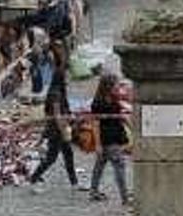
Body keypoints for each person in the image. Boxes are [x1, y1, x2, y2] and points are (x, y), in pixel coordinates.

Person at [88, 73, 130, 204]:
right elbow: (95, 124)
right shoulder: (98, 103)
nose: (118, 87)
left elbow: (120, 116)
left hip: (115, 135)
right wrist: (98, 144)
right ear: (108, 86)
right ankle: (125, 198)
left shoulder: (113, 98)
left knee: (99, 165)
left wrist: (133, 127)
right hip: (108, 139)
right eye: (116, 84)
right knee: (120, 166)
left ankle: (93, 191)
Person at [28, 85, 79, 189]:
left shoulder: (55, 95)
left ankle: (74, 182)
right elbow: (57, 116)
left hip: (56, 132)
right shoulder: (56, 96)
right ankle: (34, 177)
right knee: (52, 158)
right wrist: (63, 131)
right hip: (56, 134)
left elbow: (55, 117)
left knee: (67, 155)